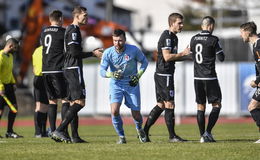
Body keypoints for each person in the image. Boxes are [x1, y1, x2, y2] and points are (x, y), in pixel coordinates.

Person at [50, 6, 102, 143]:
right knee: (80, 102)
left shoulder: (72, 29)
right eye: (84, 15)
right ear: (76, 16)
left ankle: (74, 136)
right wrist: (93, 53)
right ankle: (60, 130)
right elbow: (74, 53)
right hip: (73, 68)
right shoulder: (73, 30)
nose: (86, 18)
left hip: (68, 68)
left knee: (72, 102)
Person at [143, 13, 190, 142]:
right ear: (172, 23)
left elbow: (172, 58)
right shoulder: (167, 37)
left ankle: (144, 132)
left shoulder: (174, 37)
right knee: (169, 104)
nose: (182, 25)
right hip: (164, 75)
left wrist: (188, 57)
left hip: (163, 74)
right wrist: (183, 53)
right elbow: (167, 57)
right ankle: (172, 136)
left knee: (161, 104)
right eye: (179, 23)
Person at [100, 29, 148, 144]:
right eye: (115, 41)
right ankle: (121, 137)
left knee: (136, 114)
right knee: (114, 111)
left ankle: (139, 129)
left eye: (120, 40)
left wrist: (138, 75)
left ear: (125, 40)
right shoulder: (108, 52)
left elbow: (144, 62)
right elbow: (102, 71)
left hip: (132, 84)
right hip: (116, 84)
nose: (117, 43)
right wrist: (111, 74)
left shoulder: (134, 50)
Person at [190, 16, 225, 143]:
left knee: (200, 106)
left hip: (197, 77)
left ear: (202, 26)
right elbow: (221, 57)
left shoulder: (193, 39)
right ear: (211, 26)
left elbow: (191, 55)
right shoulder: (214, 39)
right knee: (217, 104)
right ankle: (208, 133)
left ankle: (202, 136)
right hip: (210, 77)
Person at [240, 21, 260, 143]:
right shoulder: (255, 44)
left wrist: (256, 81)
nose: (241, 35)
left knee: (252, 106)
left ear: (248, 32)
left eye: (241, 32)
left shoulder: (258, 46)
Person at [0, 37, 23, 138]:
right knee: (0, 110)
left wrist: (13, 83)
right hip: (1, 86)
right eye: (15, 47)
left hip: (9, 86)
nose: (16, 50)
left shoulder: (10, 56)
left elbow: (9, 72)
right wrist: (1, 87)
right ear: (10, 46)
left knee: (14, 108)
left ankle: (9, 131)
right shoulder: (0, 56)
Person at [32, 46, 48, 138]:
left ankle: (40, 132)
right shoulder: (49, 49)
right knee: (44, 106)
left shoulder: (36, 50)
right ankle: (39, 132)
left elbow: (34, 68)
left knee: (42, 106)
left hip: (37, 77)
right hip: (45, 77)